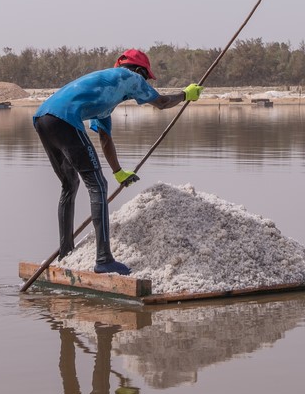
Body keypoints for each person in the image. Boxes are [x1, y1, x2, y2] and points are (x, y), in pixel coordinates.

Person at [34, 49, 204, 275]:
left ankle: (66, 252)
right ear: (139, 70)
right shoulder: (130, 76)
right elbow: (162, 102)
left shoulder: (105, 98)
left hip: (43, 118)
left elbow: (105, 138)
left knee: (70, 184)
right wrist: (185, 94)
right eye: (145, 78)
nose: (143, 85)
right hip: (64, 117)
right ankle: (103, 259)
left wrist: (118, 172)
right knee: (98, 186)